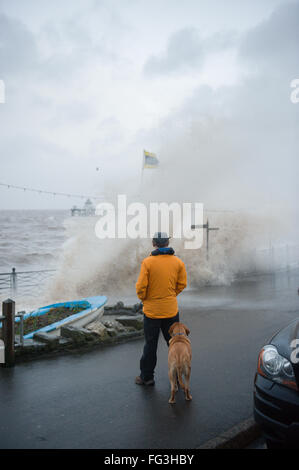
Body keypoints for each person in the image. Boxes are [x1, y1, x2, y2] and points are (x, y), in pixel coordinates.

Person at [135, 232, 187, 386]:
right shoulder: (178, 262)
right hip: (171, 311)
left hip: (152, 312)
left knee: (150, 345)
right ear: (167, 243)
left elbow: (141, 287)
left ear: (154, 243)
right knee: (174, 345)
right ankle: (178, 379)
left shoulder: (148, 262)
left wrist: (145, 299)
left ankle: (147, 378)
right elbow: (182, 284)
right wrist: (171, 296)